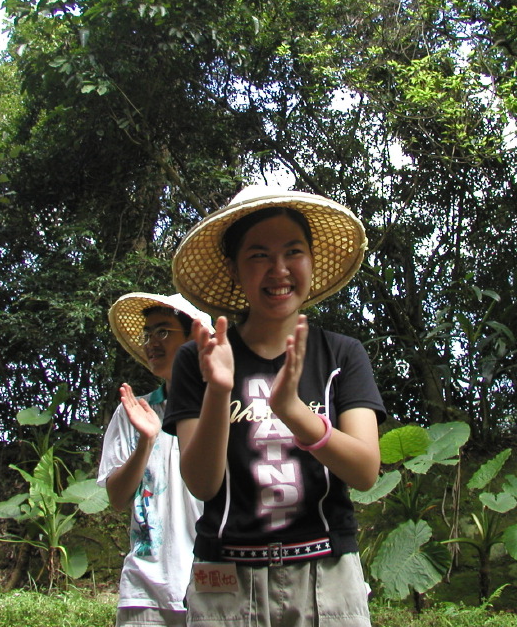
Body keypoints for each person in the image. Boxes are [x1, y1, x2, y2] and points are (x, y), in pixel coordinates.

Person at [164, 185, 386, 627]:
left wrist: (295, 412)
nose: (279, 269)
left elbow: (364, 471)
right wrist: (218, 390)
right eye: (259, 255)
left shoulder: (343, 355)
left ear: (310, 260)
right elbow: (202, 484)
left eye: (293, 252)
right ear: (234, 268)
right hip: (225, 579)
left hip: (326, 575)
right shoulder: (199, 359)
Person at [98, 292, 209, 627]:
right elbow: (117, 498)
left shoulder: (225, 410)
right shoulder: (133, 412)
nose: (151, 343)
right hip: (145, 591)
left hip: (214, 583)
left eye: (163, 332)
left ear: (195, 337)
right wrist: (146, 441)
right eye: (148, 334)